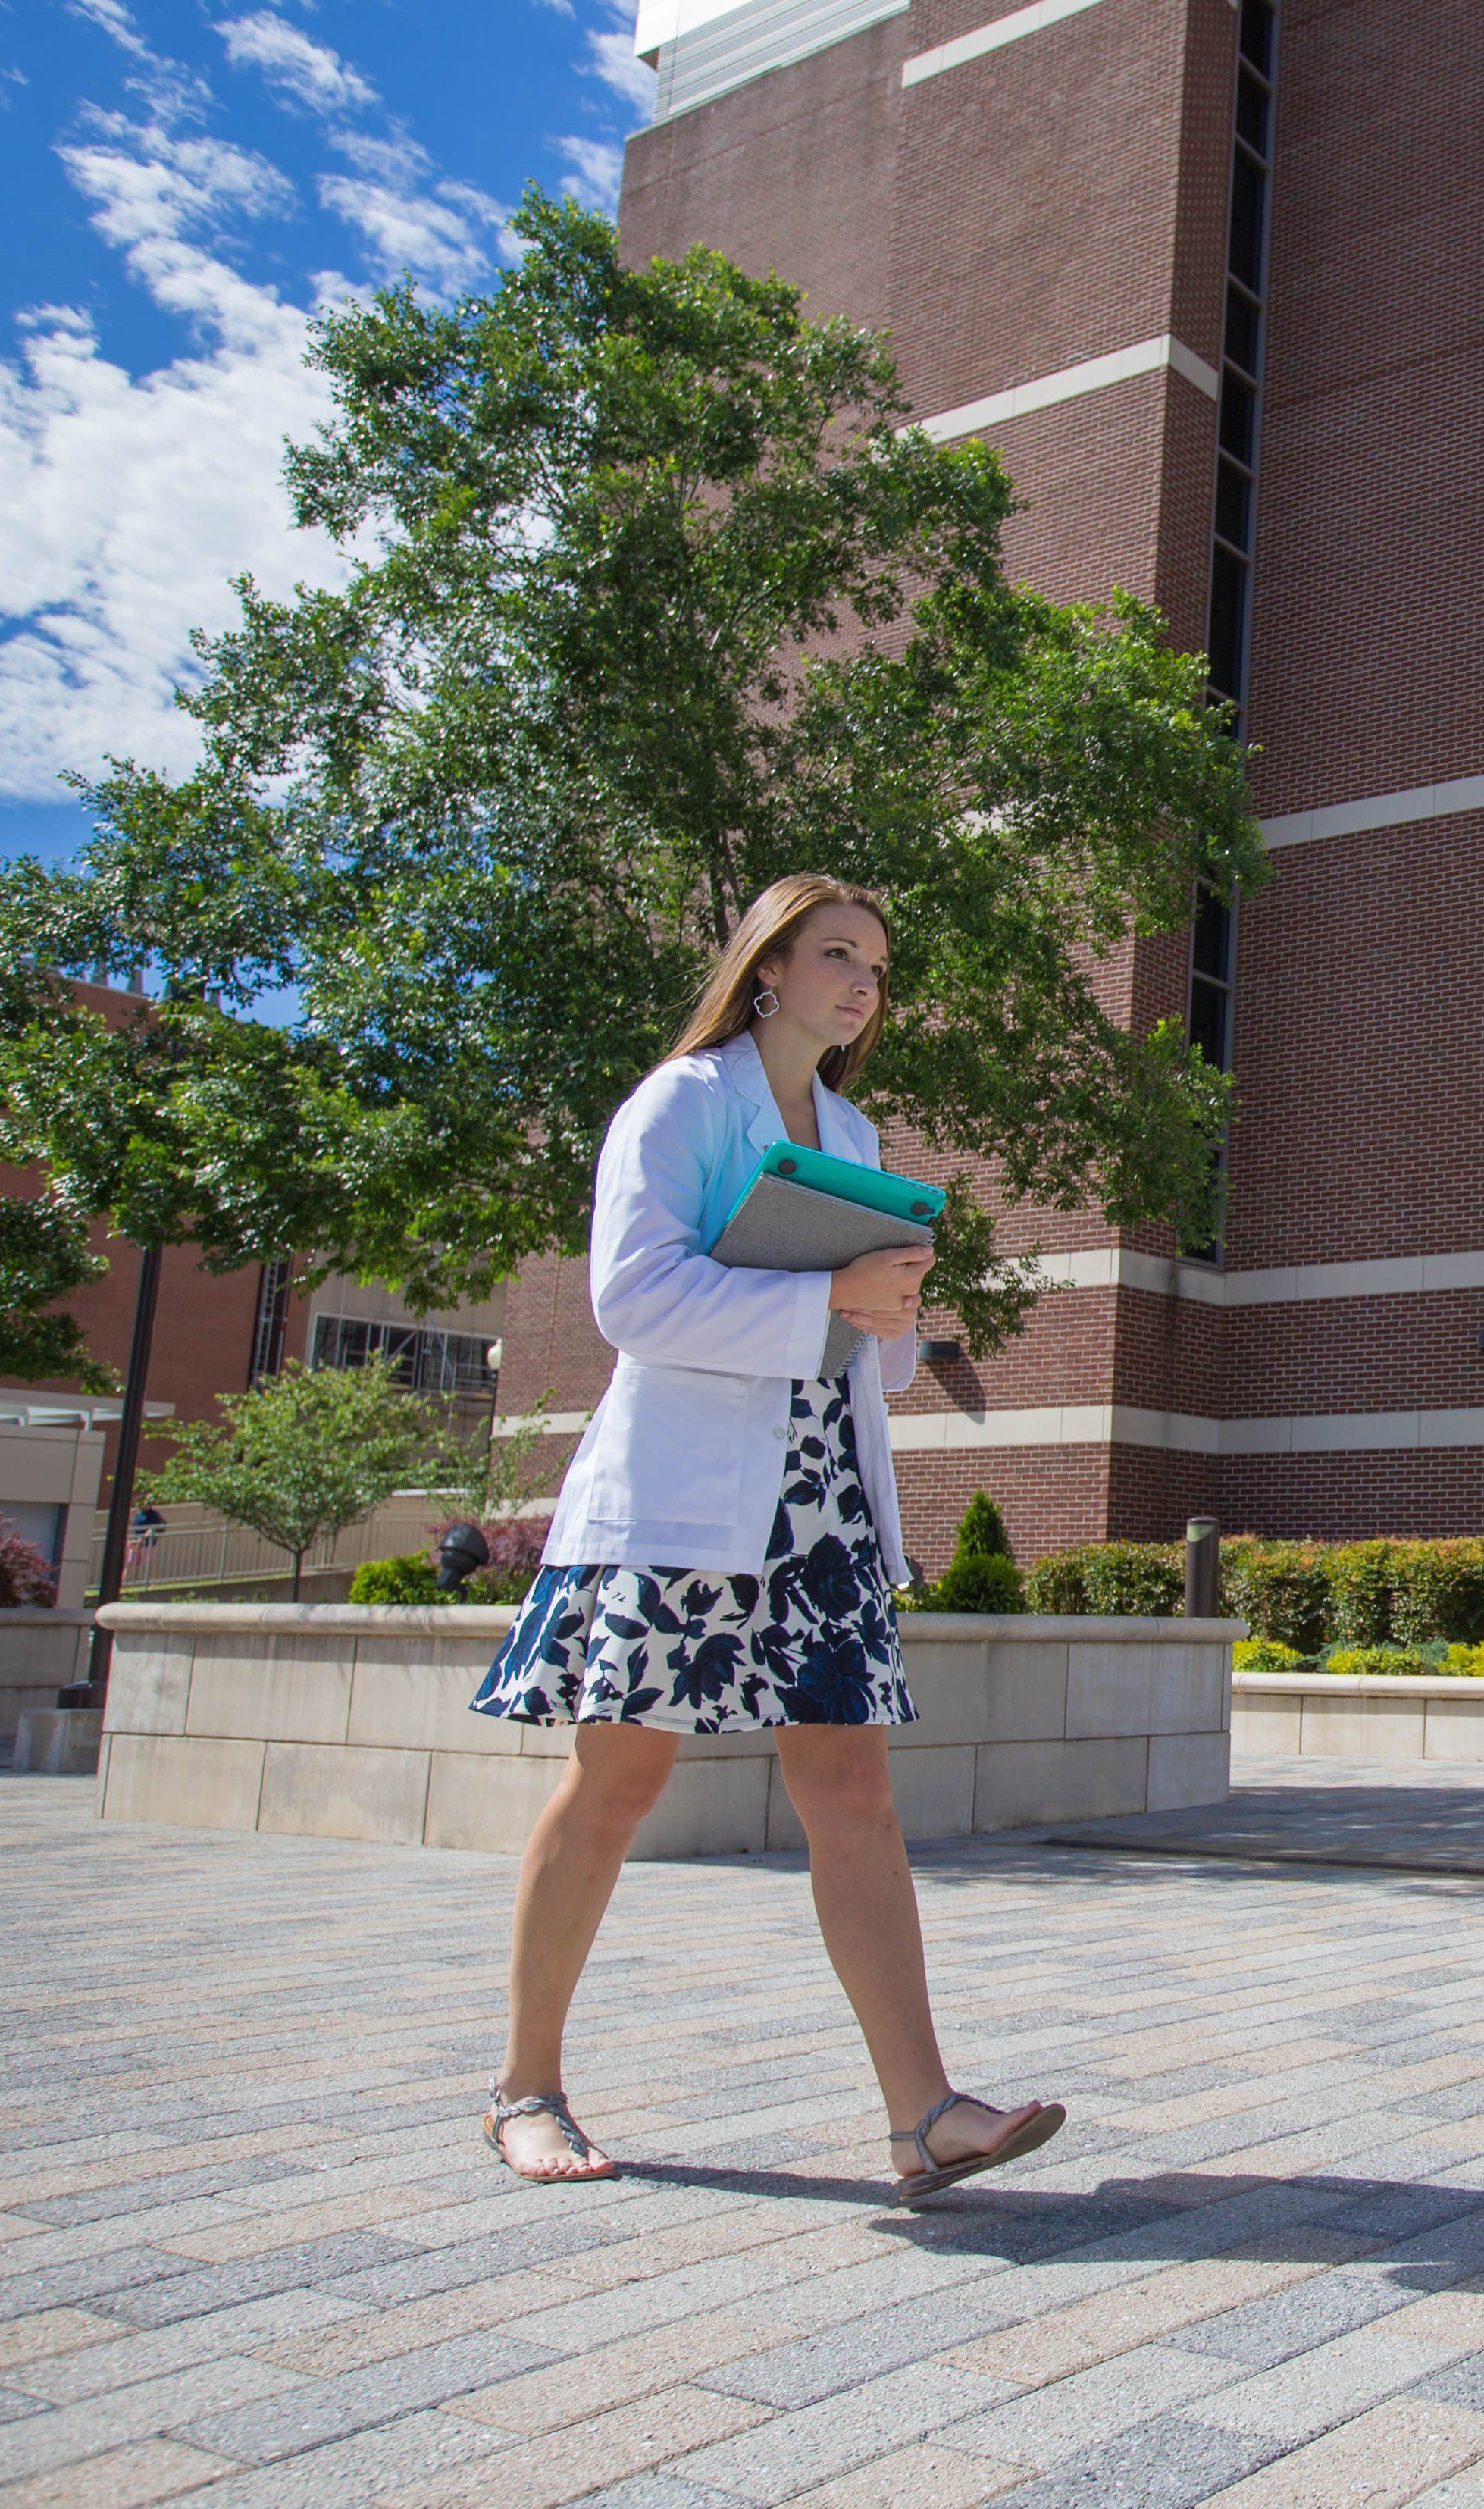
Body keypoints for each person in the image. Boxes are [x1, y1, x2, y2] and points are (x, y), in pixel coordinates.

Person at [468, 872, 1063, 2198]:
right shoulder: (677, 1103)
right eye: (837, 955)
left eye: (877, 966)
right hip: (685, 1495)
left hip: (818, 1502)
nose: (862, 983)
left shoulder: (849, 1129)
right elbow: (632, 1295)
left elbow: (877, 1361)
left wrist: (888, 1312)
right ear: (767, 970)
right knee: (616, 1786)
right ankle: (525, 2087)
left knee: (852, 1791)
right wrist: (825, 1297)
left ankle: (923, 2115)